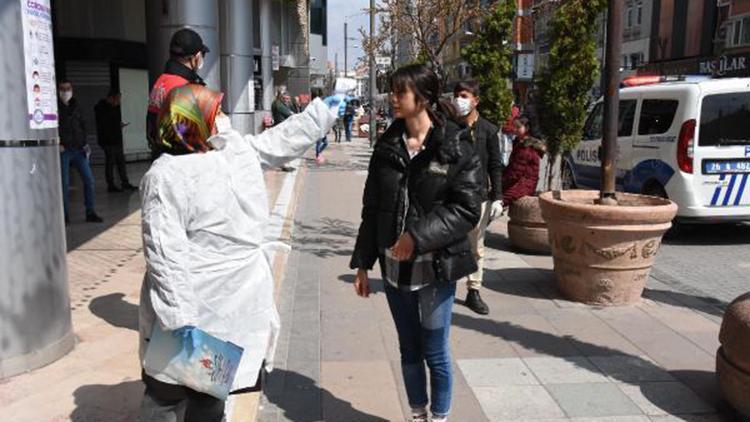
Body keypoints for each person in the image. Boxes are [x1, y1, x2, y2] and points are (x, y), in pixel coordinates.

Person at [138, 83, 344, 421]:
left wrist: (321, 113)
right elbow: (164, 252)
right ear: (191, 120)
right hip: (193, 302)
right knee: (167, 394)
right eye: (216, 111)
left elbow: (280, 141)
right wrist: (179, 318)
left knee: (210, 395)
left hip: (233, 305)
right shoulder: (166, 175)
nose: (223, 117)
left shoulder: (232, 152)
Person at [350, 64, 483, 422]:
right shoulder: (387, 145)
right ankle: (418, 416)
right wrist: (362, 264)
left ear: (422, 98)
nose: (392, 98)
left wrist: (417, 236)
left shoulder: (454, 144)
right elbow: (372, 207)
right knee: (409, 349)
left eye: (400, 92)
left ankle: (439, 418)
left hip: (437, 266)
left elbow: (467, 209)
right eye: (392, 91)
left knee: (435, 351)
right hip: (394, 267)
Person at [452, 81, 504, 315]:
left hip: (478, 197)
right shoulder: (448, 127)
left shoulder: (489, 130)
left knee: (476, 246)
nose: (458, 100)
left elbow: (495, 165)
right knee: (449, 243)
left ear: (476, 100)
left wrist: (498, 198)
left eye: (463, 95)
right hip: (451, 196)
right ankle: (446, 286)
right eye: (456, 95)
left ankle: (474, 290)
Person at [147, 28, 209, 158]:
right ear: (196, 57)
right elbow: (190, 136)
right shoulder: (184, 87)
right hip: (181, 164)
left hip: (160, 158)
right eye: (202, 55)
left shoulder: (161, 81)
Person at [58, 80, 103, 224]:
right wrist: (58, 143)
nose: (66, 92)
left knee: (89, 180)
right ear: (58, 91)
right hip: (63, 150)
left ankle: (90, 212)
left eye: (68, 88)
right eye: (63, 89)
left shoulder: (77, 106)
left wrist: (84, 144)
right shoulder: (54, 108)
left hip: (79, 149)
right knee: (64, 184)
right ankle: (64, 216)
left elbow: (83, 126)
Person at [95, 88, 136, 192]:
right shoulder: (101, 108)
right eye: (117, 99)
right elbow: (104, 125)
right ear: (111, 98)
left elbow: (114, 122)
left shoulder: (115, 108)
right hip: (108, 141)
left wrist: (119, 125)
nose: (118, 102)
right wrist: (116, 126)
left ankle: (125, 182)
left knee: (121, 161)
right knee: (110, 162)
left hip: (116, 139)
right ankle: (111, 185)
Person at [502, 117, 547, 206]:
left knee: (496, 201)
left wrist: (500, 183)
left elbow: (515, 173)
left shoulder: (526, 147)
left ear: (526, 128)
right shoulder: (520, 142)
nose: (515, 130)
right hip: (520, 184)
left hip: (522, 186)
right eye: (514, 126)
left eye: (518, 127)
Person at [311, 88, 329, 164]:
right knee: (319, 142)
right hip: (318, 127)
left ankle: (318, 153)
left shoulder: (320, 104)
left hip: (322, 127)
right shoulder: (315, 104)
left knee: (325, 142)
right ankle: (318, 155)